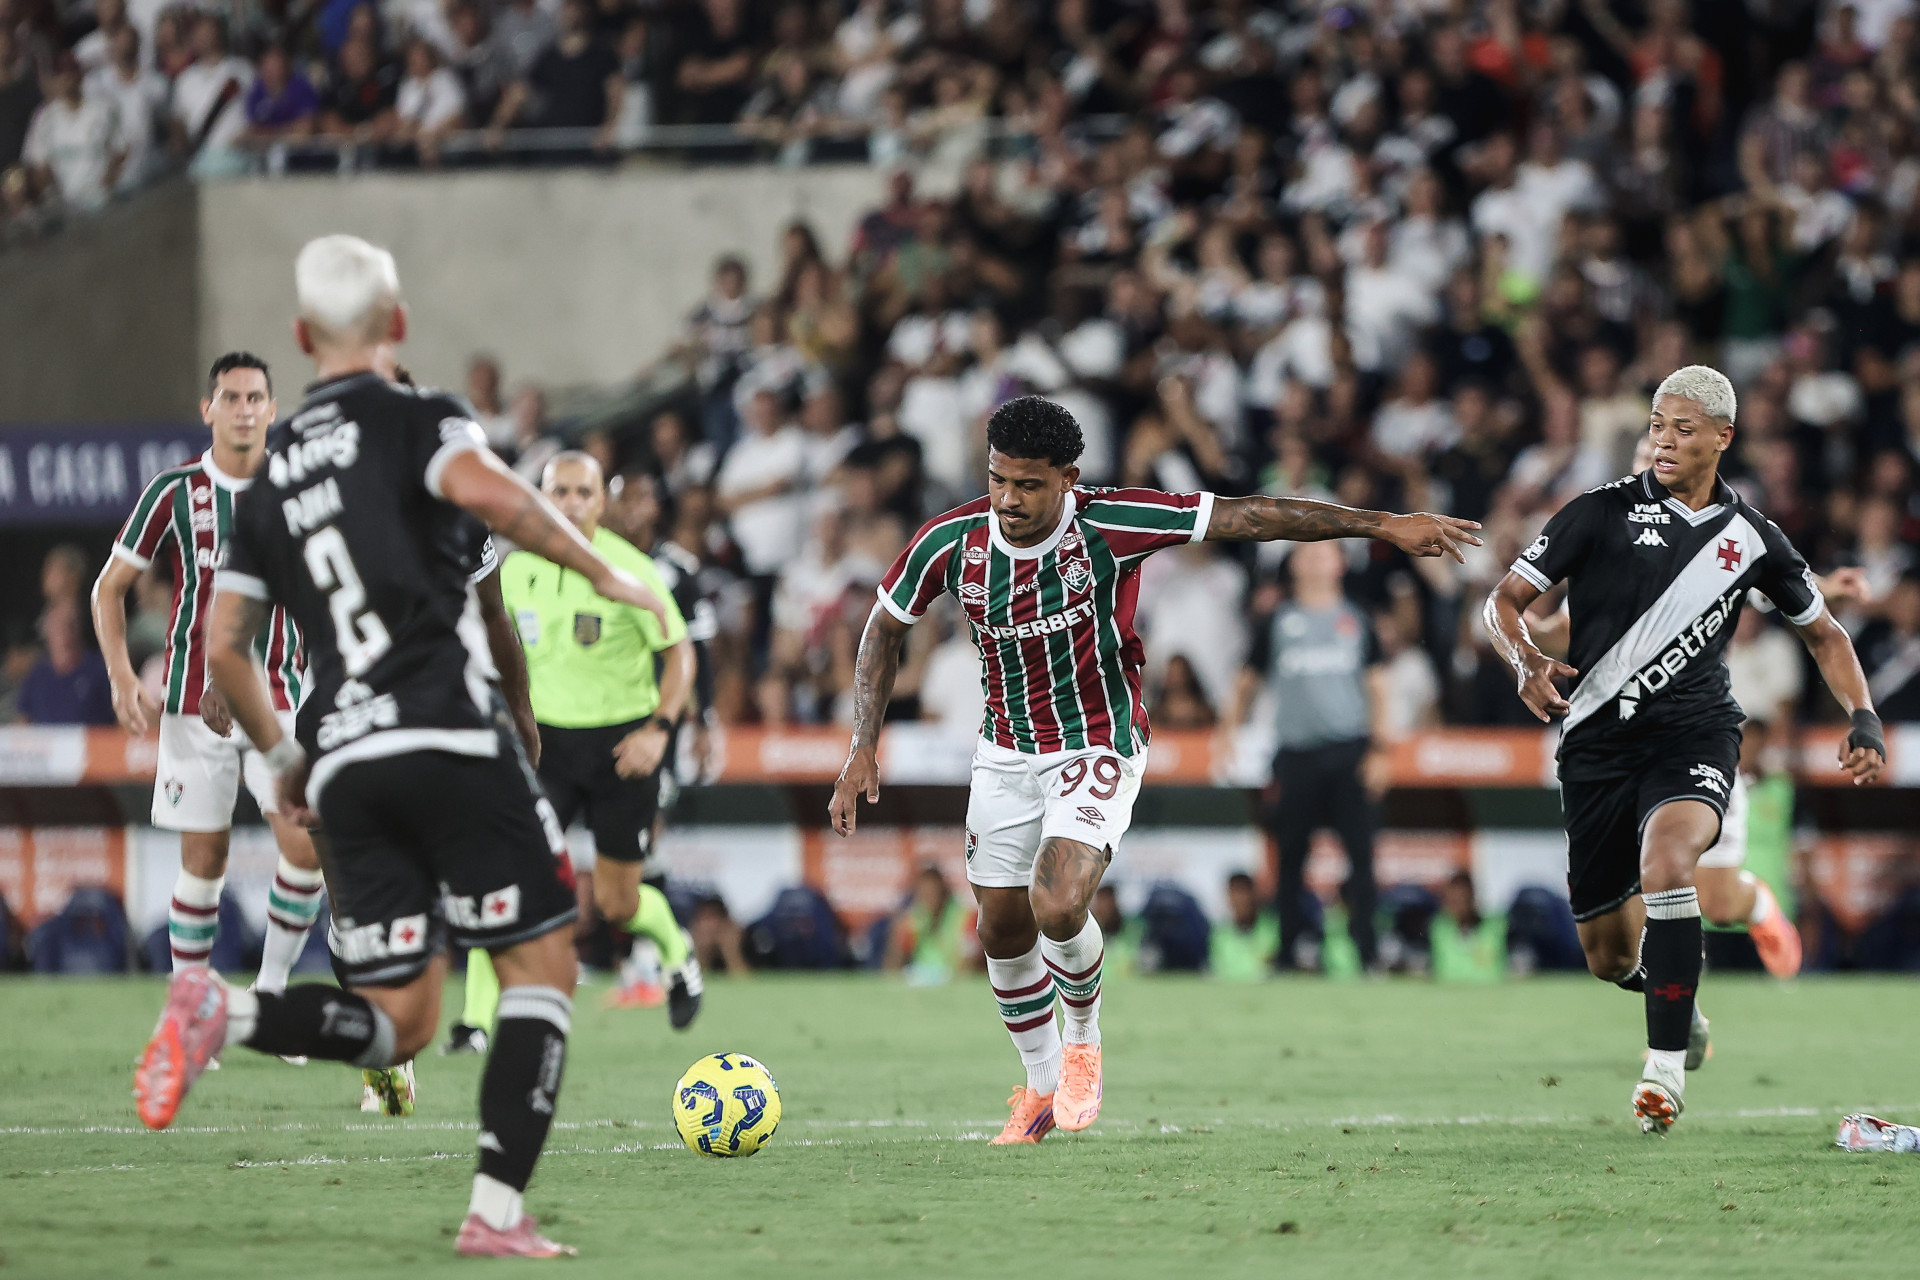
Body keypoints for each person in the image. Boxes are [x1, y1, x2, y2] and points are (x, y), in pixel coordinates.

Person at [133, 234, 670, 1259]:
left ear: (301, 338)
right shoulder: (422, 420)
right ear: (400, 323)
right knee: (542, 966)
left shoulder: (272, 471)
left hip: (338, 751)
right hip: (442, 728)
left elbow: (223, 648)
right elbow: (499, 501)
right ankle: (496, 1212)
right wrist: (607, 573)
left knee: (400, 1020)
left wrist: (284, 760)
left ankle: (223, 1012)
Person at [830, 395, 1479, 1144]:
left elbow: (1250, 515)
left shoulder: (1113, 523)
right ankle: (1039, 1085)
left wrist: (1380, 524)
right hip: (1005, 750)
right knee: (1000, 928)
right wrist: (861, 745)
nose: (1009, 499)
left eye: (1029, 484)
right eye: (999, 480)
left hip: (1098, 741)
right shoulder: (951, 540)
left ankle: (1083, 1043)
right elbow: (883, 629)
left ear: (1068, 478)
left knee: (1057, 902)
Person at [1485, 365, 1885, 1135]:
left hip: (1694, 733)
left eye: (1683, 429)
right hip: (1597, 745)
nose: (1664, 441)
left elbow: (1824, 634)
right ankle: (1679, 1001)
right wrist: (1525, 659)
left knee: (1669, 864)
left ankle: (1663, 1071)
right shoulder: (1598, 513)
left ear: (1723, 438)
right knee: (1608, 956)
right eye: (1657, 427)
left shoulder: (1752, 536)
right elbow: (1503, 600)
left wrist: (1862, 716)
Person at [92, 353, 327, 996]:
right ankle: (190, 1000)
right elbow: (108, 587)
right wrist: (121, 676)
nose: (243, 410)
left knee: (304, 849)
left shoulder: (298, 489)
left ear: (272, 410)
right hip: (191, 705)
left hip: (277, 695)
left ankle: (269, 991)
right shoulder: (174, 490)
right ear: (208, 409)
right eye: (231, 398)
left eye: (255, 398)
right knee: (204, 861)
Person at [499, 452, 700, 1024]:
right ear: (541, 498)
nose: (570, 503)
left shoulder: (631, 568)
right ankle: (475, 1025)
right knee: (514, 882)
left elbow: (680, 653)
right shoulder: (515, 568)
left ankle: (678, 952)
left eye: (583, 493)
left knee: (617, 902)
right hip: (546, 746)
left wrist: (659, 731)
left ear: (601, 502)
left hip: (620, 747)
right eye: (559, 491)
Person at [1227, 539, 1392, 972]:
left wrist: (1380, 751)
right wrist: (1227, 732)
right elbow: (1248, 680)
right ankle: (1287, 952)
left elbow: (1377, 686)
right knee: (1289, 859)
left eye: (1326, 551)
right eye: (1307, 552)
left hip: (1350, 752)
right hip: (1295, 755)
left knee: (1361, 858)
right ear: (1294, 564)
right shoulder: (1278, 620)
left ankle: (1368, 953)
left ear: (1341, 563)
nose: (1317, 558)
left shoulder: (1357, 618)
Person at [1208, 872, 1279, 981]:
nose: (1240, 899)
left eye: (1244, 892)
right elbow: (1218, 968)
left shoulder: (1271, 927)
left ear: (1253, 894)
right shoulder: (1219, 934)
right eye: (1235, 892)